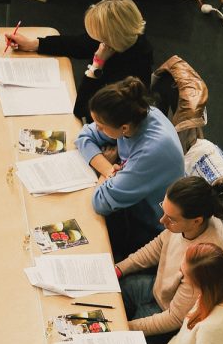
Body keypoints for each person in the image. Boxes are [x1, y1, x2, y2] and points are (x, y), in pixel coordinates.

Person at [76, 77, 185, 257]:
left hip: (155, 228)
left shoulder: (151, 152)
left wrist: (108, 171)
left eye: (101, 126)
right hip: (134, 203)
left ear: (124, 128)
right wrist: (108, 169)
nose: (97, 129)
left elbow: (100, 202)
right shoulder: (138, 114)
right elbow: (84, 137)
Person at [116, 176, 223, 341]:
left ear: (196, 221)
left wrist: (124, 328)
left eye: (170, 218)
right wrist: (119, 269)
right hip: (162, 289)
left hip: (170, 316)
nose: (162, 220)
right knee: (116, 292)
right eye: (163, 210)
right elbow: (159, 245)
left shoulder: (204, 262)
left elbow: (175, 318)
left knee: (123, 338)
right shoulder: (185, 223)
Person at [6, 0, 153, 120]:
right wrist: (34, 44)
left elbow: (83, 110)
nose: (95, 39)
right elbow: (78, 44)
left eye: (99, 36)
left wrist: (96, 65)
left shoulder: (132, 74)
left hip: (105, 126)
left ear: (111, 37)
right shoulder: (123, 37)